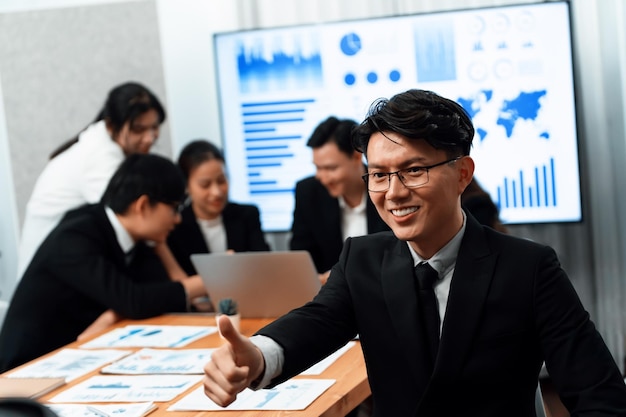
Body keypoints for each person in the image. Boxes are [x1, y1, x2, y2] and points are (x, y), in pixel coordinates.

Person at [201, 89, 626, 416]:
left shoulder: (529, 268)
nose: (393, 192)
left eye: (414, 170)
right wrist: (258, 355)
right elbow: (318, 320)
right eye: (379, 175)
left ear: (462, 174)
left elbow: (599, 394)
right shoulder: (361, 259)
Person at [0, 153, 207, 373]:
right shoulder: (76, 235)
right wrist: (206, 281)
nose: (178, 219)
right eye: (175, 208)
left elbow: (152, 296)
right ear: (143, 205)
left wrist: (114, 314)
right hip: (25, 371)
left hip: (79, 360)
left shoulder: (134, 237)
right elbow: (134, 300)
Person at [16, 81, 166, 279]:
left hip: (67, 261)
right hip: (47, 274)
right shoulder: (99, 158)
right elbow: (137, 220)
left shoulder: (104, 143)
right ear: (112, 125)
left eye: (154, 127)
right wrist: (181, 279)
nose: (149, 138)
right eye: (138, 129)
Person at [289, 116, 389, 283]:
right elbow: (302, 260)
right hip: (332, 298)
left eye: (330, 168)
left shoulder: (386, 185)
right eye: (317, 168)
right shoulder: (309, 193)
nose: (322, 177)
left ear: (357, 157)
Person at [167, 139, 270, 278]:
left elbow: (263, 265)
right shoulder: (176, 226)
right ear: (186, 186)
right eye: (205, 185)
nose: (217, 192)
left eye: (221, 181)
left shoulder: (247, 215)